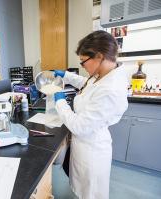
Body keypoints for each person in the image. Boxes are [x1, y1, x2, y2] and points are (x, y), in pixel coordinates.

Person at [54, 30, 128, 199]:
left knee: (90, 193)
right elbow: (88, 85)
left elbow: (80, 126)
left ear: (99, 56)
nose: (82, 66)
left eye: (83, 62)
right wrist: (66, 76)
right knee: (82, 189)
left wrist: (60, 101)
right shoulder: (104, 74)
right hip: (84, 145)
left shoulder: (111, 89)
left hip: (92, 150)